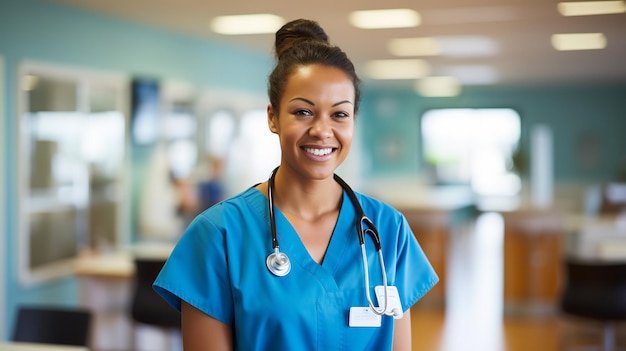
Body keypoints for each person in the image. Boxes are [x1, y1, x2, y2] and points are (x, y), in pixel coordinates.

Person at [153, 18, 438, 350]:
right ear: (272, 117)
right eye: (303, 112)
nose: (321, 130)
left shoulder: (388, 230)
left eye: (340, 114)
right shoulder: (219, 234)